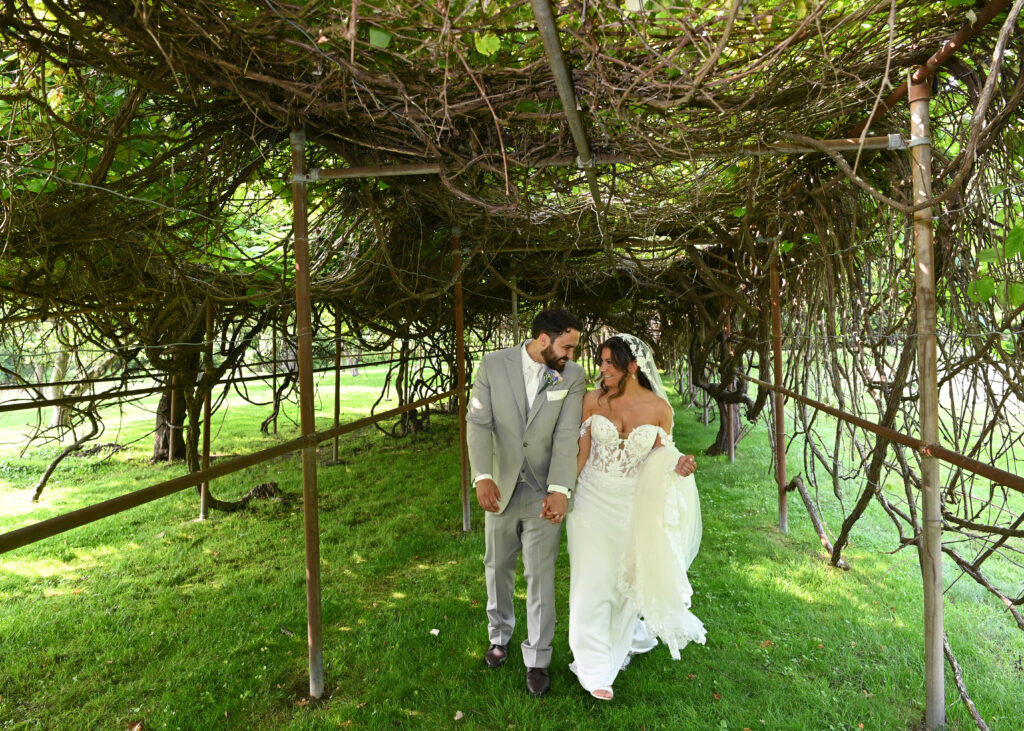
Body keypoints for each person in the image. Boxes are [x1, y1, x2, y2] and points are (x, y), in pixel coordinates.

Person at [567, 334, 705, 700]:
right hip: (591, 500)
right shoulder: (592, 401)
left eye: (610, 363)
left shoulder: (660, 408)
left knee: (623, 579)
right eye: (601, 362)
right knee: (591, 581)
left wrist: (680, 464)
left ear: (632, 366)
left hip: (631, 505)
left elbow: (662, 454)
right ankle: (594, 667)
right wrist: (563, 493)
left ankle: (625, 634)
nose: (603, 369)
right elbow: (581, 453)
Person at [466, 308, 586, 697]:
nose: (570, 354)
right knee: (496, 565)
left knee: (541, 574)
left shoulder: (572, 376)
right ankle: (499, 636)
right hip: (500, 486)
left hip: (543, 490)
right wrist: (483, 477)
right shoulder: (491, 364)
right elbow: (478, 423)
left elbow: (568, 435)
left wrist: (560, 489)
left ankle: (538, 658)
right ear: (543, 339)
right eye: (567, 346)